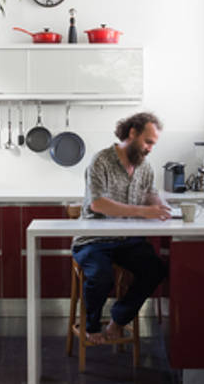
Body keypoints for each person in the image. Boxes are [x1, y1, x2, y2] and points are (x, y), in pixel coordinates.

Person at [73, 112, 171, 345]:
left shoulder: (145, 167)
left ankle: (117, 320)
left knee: (155, 269)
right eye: (148, 142)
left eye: (153, 144)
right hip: (93, 239)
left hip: (128, 240)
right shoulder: (102, 160)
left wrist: (164, 208)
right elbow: (98, 204)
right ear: (132, 133)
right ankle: (91, 325)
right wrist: (144, 212)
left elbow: (150, 195)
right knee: (101, 275)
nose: (150, 149)